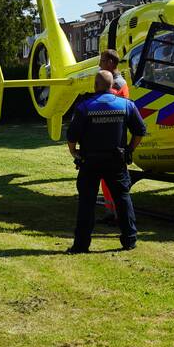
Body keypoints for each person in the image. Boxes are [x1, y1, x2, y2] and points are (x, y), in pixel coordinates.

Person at [66, 70, 146, 254]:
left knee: (87, 202)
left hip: (90, 161)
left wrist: (74, 152)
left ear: (95, 85)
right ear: (112, 85)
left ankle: (81, 245)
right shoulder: (126, 105)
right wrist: (129, 150)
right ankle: (130, 240)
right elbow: (140, 130)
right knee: (122, 199)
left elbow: (71, 136)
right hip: (116, 161)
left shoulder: (84, 107)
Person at [96, 49, 129, 221]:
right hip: (111, 137)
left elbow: (104, 105)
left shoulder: (115, 85)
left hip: (113, 140)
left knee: (112, 179)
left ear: (110, 62)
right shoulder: (117, 82)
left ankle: (117, 214)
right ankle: (111, 211)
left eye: (102, 61)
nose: (99, 64)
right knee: (106, 179)